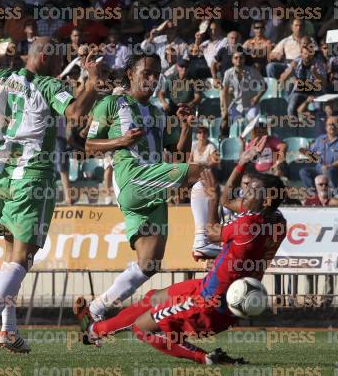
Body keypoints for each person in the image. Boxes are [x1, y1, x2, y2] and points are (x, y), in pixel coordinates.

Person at [0, 22, 103, 358]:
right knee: (23, 257)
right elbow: (76, 112)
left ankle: (9, 330)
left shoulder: (1, 78)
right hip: (33, 176)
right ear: (46, 58)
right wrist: (93, 80)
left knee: (10, 256)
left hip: (4, 175)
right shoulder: (50, 85)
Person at [74, 150, 287, 365]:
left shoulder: (249, 224)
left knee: (142, 328)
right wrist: (240, 165)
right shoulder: (276, 220)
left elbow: (213, 231)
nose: (244, 190)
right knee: (154, 297)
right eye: (246, 185)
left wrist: (212, 198)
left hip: (209, 303)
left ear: (267, 199)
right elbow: (228, 199)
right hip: (213, 289)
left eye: (251, 188)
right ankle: (94, 330)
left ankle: (205, 358)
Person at [81, 52, 215, 322]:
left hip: (151, 186)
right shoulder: (111, 104)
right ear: (131, 73)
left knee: (149, 264)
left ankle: (96, 309)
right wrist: (121, 140)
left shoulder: (156, 113)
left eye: (156, 75)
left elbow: (178, 156)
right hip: (133, 178)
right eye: (147, 73)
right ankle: (203, 239)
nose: (152, 80)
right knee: (203, 174)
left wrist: (186, 128)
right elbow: (89, 145)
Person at [298, 116, 338, 192]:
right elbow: (312, 155)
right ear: (326, 127)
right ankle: (314, 196)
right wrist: (304, 151)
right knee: (304, 172)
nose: (332, 126)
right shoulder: (320, 139)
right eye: (330, 124)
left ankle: (336, 194)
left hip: (337, 170)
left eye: (335, 124)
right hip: (319, 169)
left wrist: (330, 166)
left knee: (330, 171)